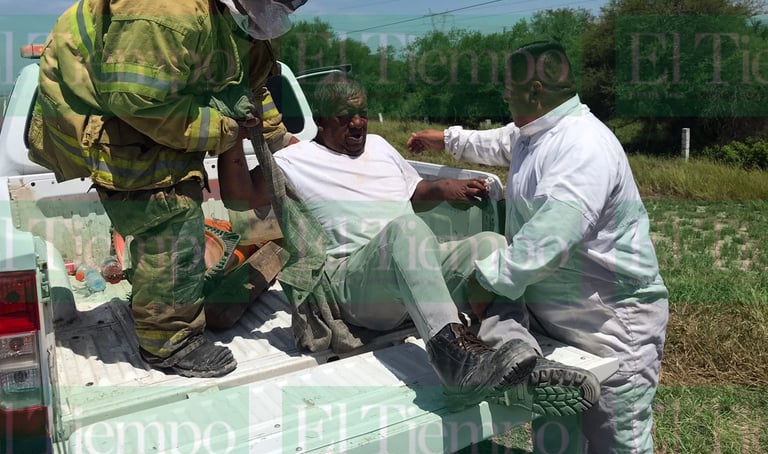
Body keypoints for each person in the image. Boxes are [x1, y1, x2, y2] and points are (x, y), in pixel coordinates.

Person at [26, 0, 313, 378]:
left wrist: (281, 143)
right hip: (103, 119)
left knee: (184, 204)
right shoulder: (166, 2)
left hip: (151, 111)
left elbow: (253, 84)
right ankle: (169, 343)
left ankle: (169, 308)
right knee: (171, 213)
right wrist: (225, 131)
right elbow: (141, 101)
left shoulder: (225, 7)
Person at [218, 74, 600, 412]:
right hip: (354, 286)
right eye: (344, 115)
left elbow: (412, 189)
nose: (358, 123)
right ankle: (457, 362)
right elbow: (238, 199)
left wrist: (445, 187)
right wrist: (233, 133)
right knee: (407, 231)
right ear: (320, 119)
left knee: (490, 246)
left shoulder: (381, 146)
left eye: (363, 113)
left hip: (414, 269)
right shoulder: (294, 160)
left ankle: (521, 362)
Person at [407, 41, 669, 454]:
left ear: (535, 89)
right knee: (556, 431)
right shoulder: (536, 132)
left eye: (509, 88)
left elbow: (548, 242)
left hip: (612, 322)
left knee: (618, 445)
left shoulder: (582, 146)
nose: (504, 95)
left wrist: (485, 279)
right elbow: (498, 142)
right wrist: (445, 139)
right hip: (561, 317)